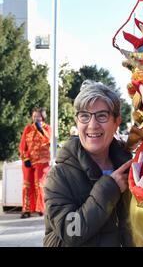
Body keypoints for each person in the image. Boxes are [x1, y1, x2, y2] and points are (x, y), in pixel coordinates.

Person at [43, 80, 133, 246]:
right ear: (77, 122)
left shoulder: (132, 170)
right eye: (84, 116)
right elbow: (71, 231)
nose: (92, 125)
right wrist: (110, 188)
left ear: (117, 122)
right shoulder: (59, 176)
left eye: (102, 116)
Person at [18, 107, 51, 219]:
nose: (35, 118)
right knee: (27, 185)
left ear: (43, 117)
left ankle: (40, 208)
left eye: (38, 116)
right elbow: (22, 145)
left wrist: (41, 130)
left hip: (42, 161)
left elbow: (49, 141)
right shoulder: (28, 128)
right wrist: (25, 158)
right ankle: (26, 210)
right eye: (34, 116)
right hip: (28, 161)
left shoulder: (47, 128)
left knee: (39, 184)